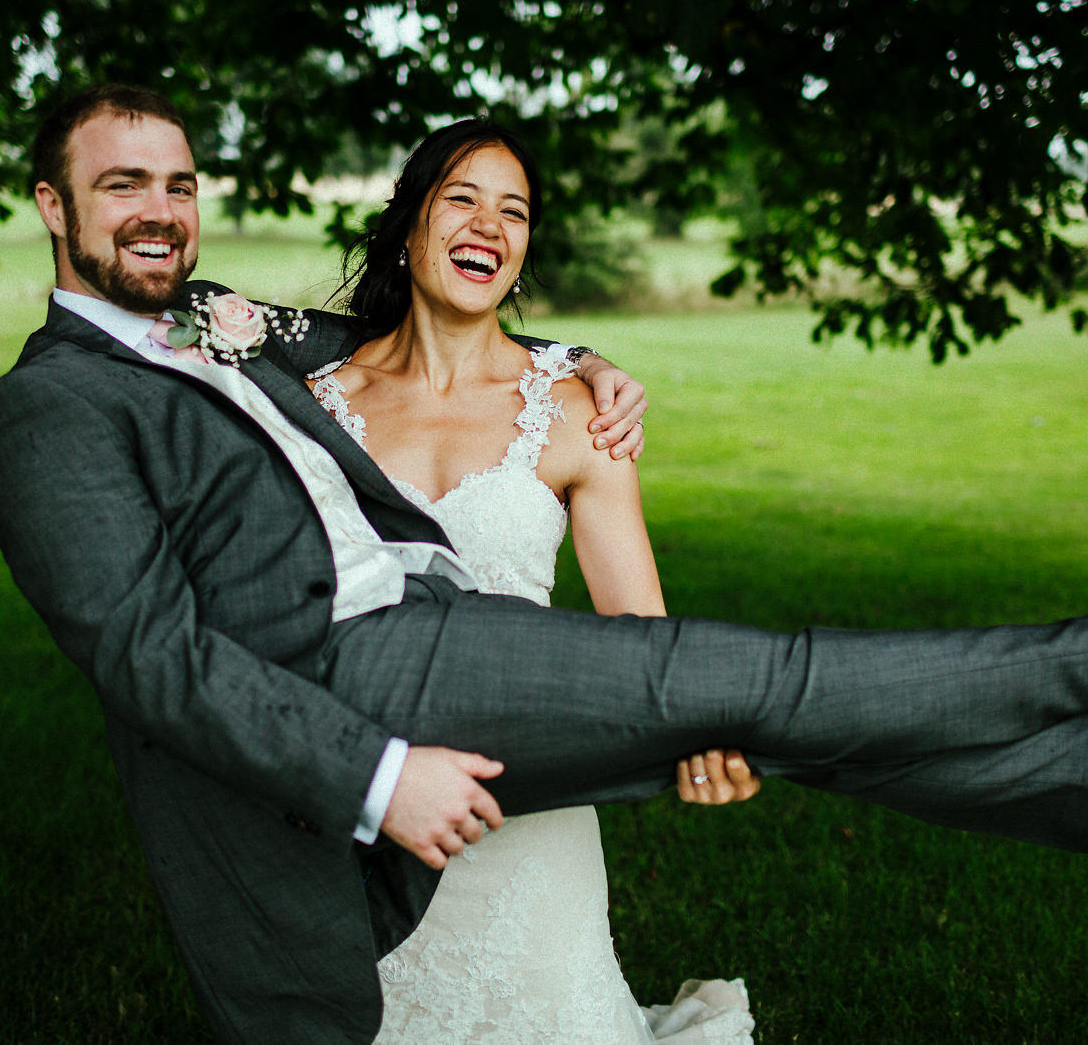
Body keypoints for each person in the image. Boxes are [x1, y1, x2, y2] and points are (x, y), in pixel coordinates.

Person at [0, 84, 1088, 1045]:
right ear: (51, 205)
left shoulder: (223, 322)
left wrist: (576, 364)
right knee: (770, 677)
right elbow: (150, 655)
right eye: (121, 184)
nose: (160, 210)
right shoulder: (48, 405)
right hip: (350, 670)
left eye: (180, 183)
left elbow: (383, 324)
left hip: (432, 643)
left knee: (775, 710)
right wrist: (377, 771)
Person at [304, 119, 756, 1042]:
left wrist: (707, 735)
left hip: (532, 812)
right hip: (370, 806)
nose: (489, 225)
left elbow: (644, 638)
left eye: (513, 212)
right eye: (462, 199)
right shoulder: (312, 404)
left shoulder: (575, 413)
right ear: (408, 222)